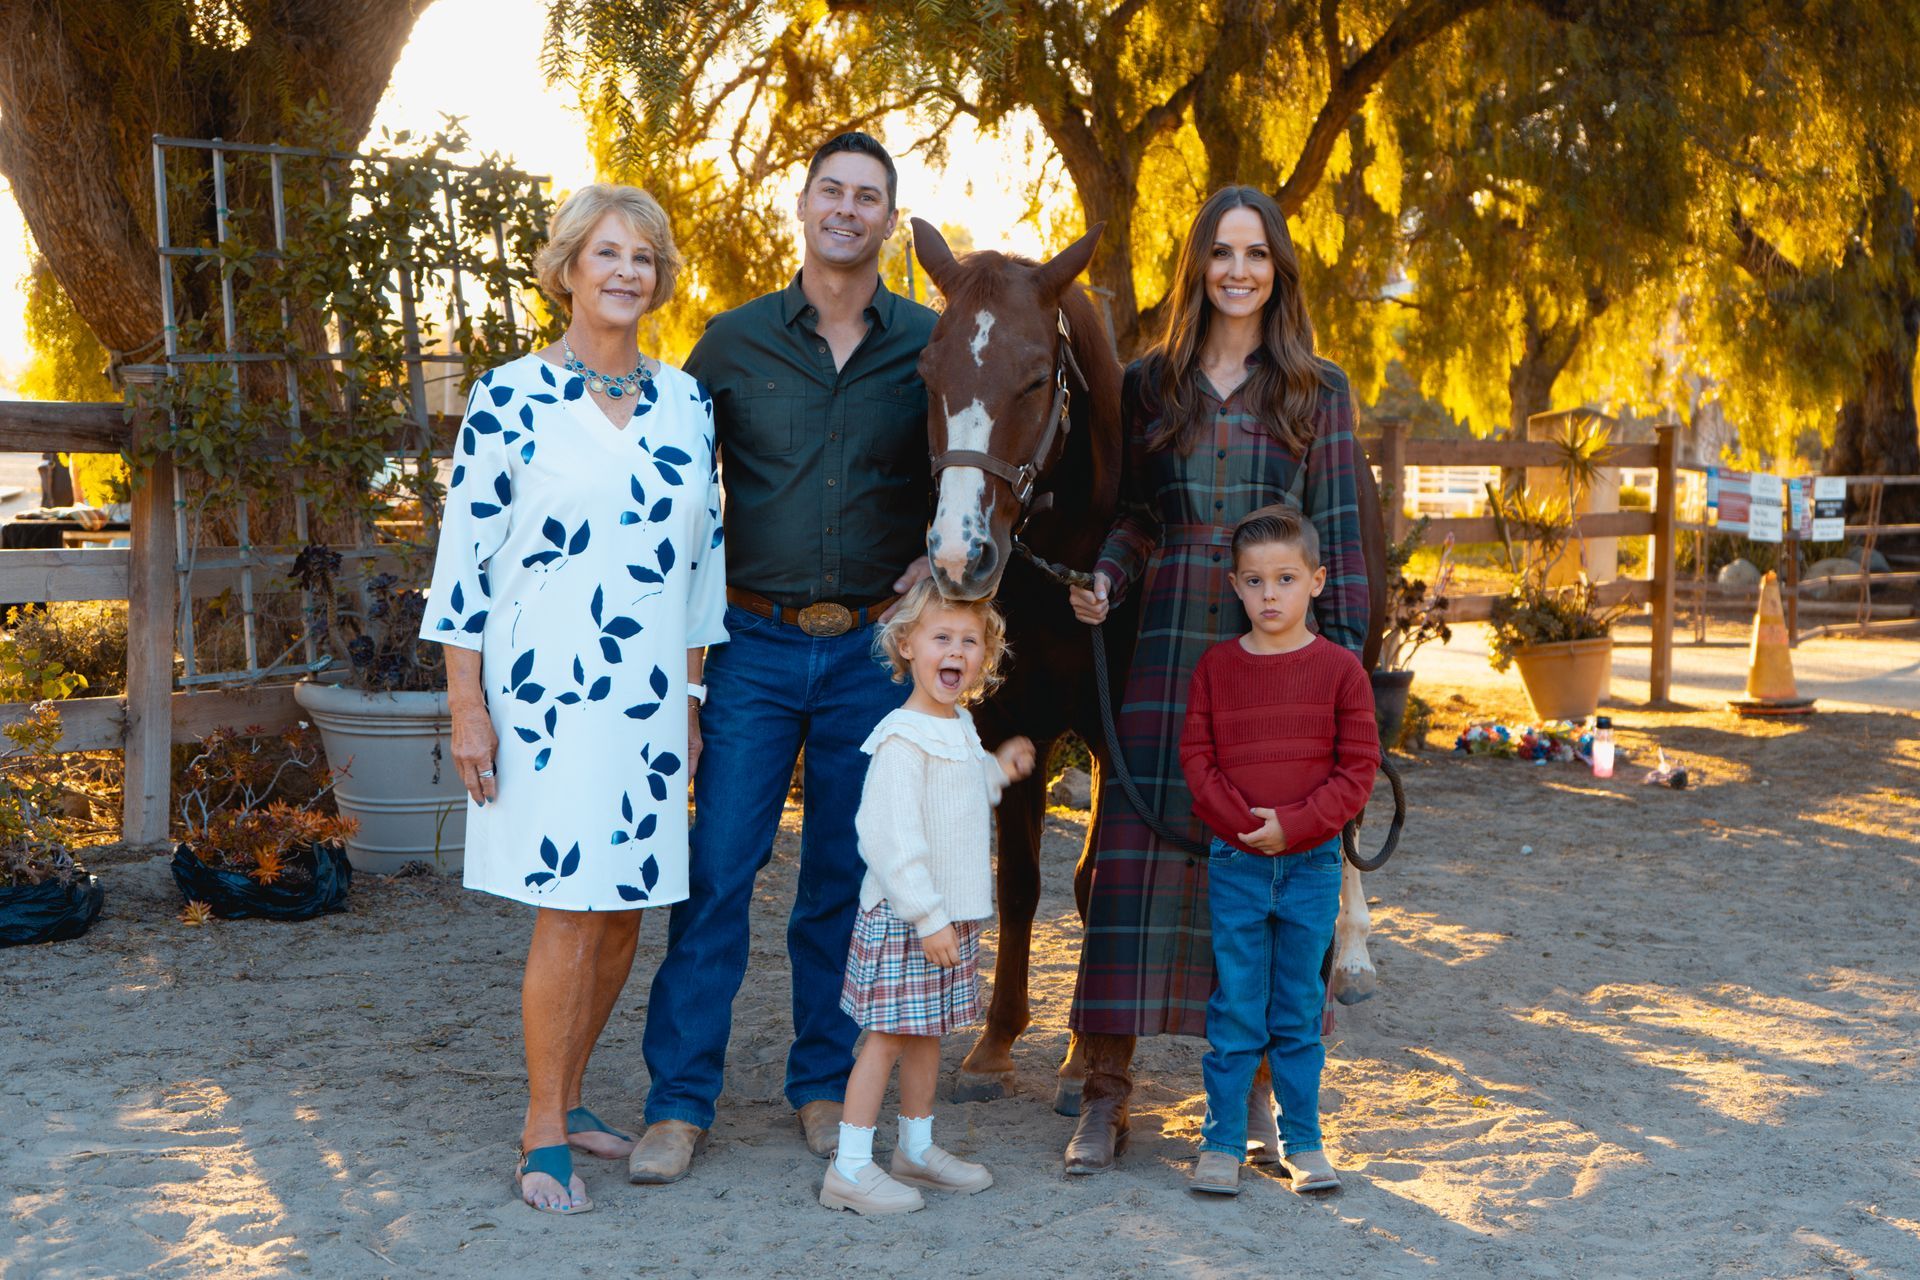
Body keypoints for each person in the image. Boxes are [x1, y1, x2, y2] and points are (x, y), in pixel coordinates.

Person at [632, 132, 939, 1183]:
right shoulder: (729, 344)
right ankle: (678, 1101)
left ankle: (820, 1085)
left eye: (869, 197)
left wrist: (930, 569)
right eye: (832, 192)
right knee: (718, 871)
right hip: (754, 643)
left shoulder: (928, 347)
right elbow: (672, 495)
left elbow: (976, 469)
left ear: (888, 221)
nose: (849, 209)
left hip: (871, 651)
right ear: (802, 206)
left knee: (845, 880)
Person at [419, 184, 726, 1215]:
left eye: (644, 257)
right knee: (571, 905)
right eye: (608, 253)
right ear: (568, 268)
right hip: (544, 691)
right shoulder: (508, 396)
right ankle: (542, 1128)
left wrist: (689, 696)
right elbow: (463, 565)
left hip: (646, 695)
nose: (627, 272)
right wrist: (468, 704)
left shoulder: (688, 402)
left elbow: (701, 570)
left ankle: (574, 1090)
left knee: (631, 904)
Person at [1063, 185, 1371, 1173]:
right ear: (1198, 265)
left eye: (1257, 253)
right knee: (1130, 867)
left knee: (1268, 879)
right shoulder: (1150, 382)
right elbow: (1138, 516)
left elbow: (1343, 540)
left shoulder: (1317, 389)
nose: (1239, 270)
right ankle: (1104, 1084)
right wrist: (1107, 577)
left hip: (1277, 671)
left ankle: (1263, 1095)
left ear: (1278, 268)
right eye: (1222, 252)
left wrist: (1348, 662)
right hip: (1165, 651)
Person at [819, 578, 1036, 1215]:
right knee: (885, 1037)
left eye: (971, 642)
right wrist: (927, 916)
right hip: (909, 916)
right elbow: (887, 838)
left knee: (927, 1035)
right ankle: (849, 1169)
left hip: (948, 917)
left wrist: (997, 769)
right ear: (907, 645)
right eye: (942, 637)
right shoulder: (901, 738)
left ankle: (915, 1149)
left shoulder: (959, 725)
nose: (957, 651)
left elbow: (956, 802)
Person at [1179, 506, 1378, 1197]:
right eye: (1255, 581)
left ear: (1317, 581)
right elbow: (1197, 760)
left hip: (1311, 866)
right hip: (1236, 864)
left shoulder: (1340, 672)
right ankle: (1223, 1142)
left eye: (1286, 578)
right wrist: (1243, 824)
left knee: (1297, 1010)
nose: (1270, 595)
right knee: (1235, 1007)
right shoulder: (1216, 669)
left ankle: (1305, 1143)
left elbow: (1358, 769)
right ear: (1235, 587)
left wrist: (1293, 826)